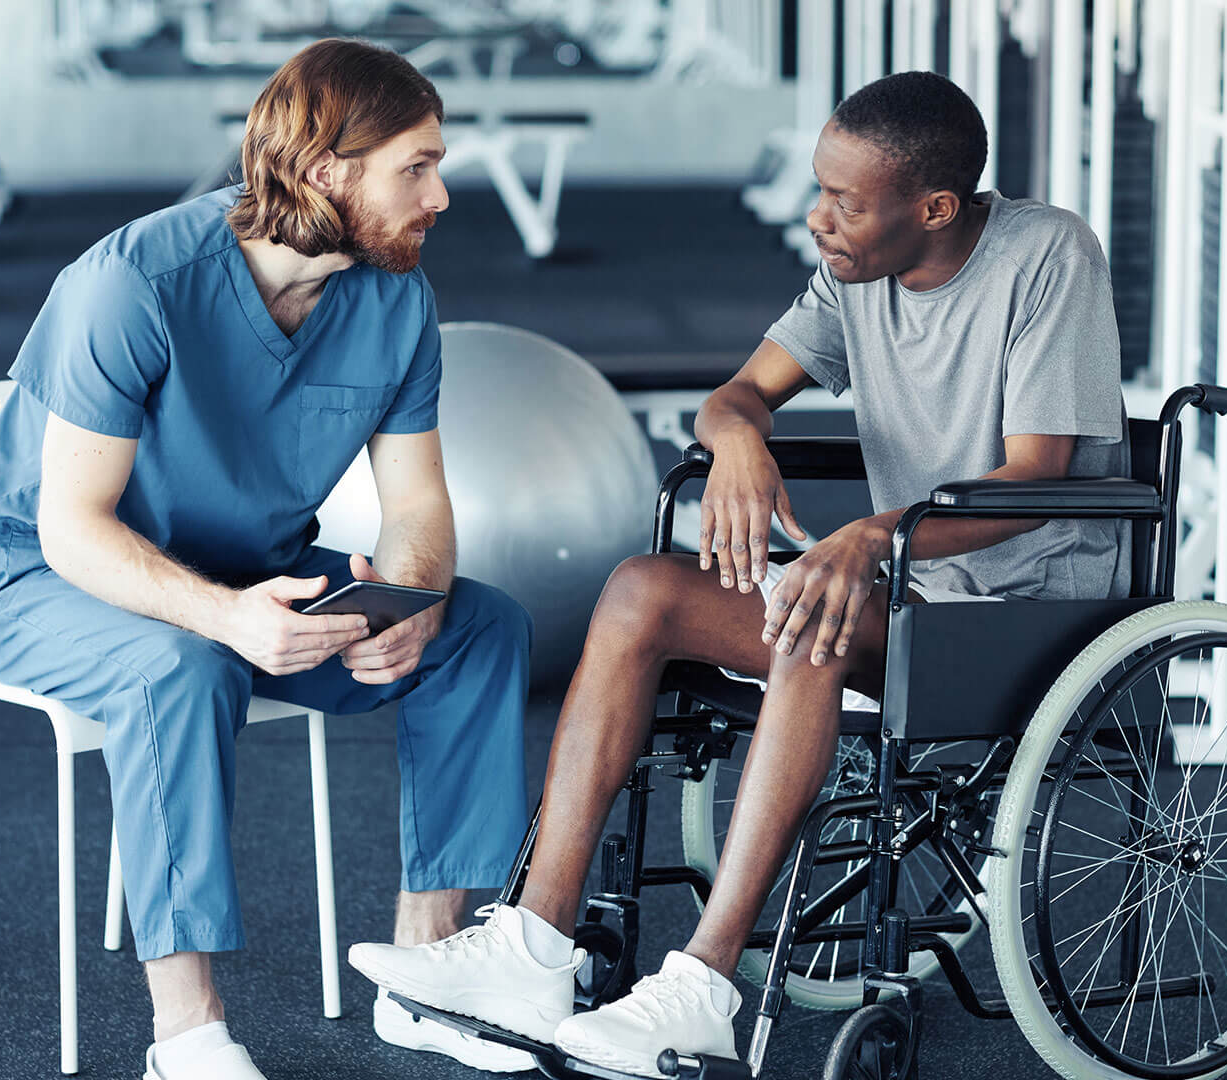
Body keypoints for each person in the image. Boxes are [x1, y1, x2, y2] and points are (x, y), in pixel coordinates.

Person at [349, 70, 1131, 1077]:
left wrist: (863, 542)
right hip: (899, 592)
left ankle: (704, 983)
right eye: (819, 188)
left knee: (816, 607)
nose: (818, 217)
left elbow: (1035, 474)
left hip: (1028, 610)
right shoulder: (855, 271)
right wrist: (739, 446)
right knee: (642, 588)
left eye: (845, 201)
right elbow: (734, 396)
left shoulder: (1045, 255)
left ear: (933, 210)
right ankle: (532, 945)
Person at [0, 39, 537, 1080]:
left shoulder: (396, 299)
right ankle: (188, 1037)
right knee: (181, 664)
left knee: (481, 626)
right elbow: (71, 527)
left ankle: (426, 969)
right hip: (50, 580)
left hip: (248, 575)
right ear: (327, 172)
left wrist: (412, 598)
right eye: (418, 167)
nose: (442, 195)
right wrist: (225, 619)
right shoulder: (133, 282)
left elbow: (419, 508)